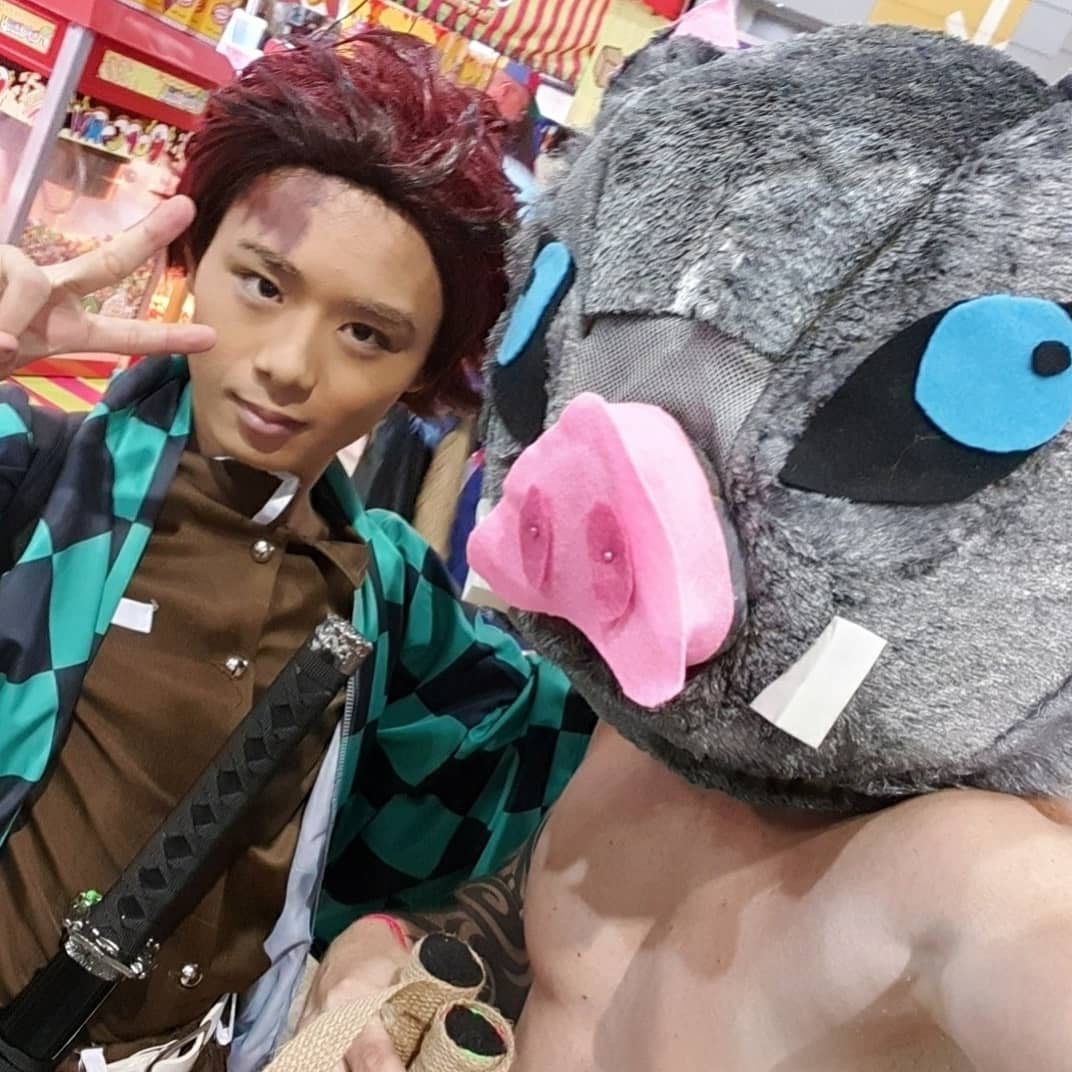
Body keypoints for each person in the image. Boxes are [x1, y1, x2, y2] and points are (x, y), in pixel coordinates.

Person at [0, 31, 594, 1070]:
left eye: (367, 334)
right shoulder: (36, 482)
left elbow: (551, 752)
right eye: (264, 285)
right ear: (194, 258)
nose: (287, 365)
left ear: (422, 372)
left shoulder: (385, 589)